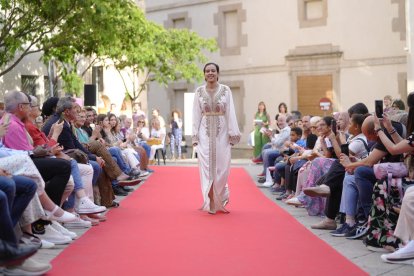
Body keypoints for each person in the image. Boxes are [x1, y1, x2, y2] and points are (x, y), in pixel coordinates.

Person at [192, 62, 241, 214]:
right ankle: (212, 201)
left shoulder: (226, 90)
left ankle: (222, 194)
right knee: (207, 168)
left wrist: (232, 134)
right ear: (204, 74)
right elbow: (195, 114)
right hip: (204, 134)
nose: (210, 73)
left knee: (222, 167)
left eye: (213, 70)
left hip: (222, 134)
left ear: (218, 73)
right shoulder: (199, 92)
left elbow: (230, 112)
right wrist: (194, 136)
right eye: (207, 71)